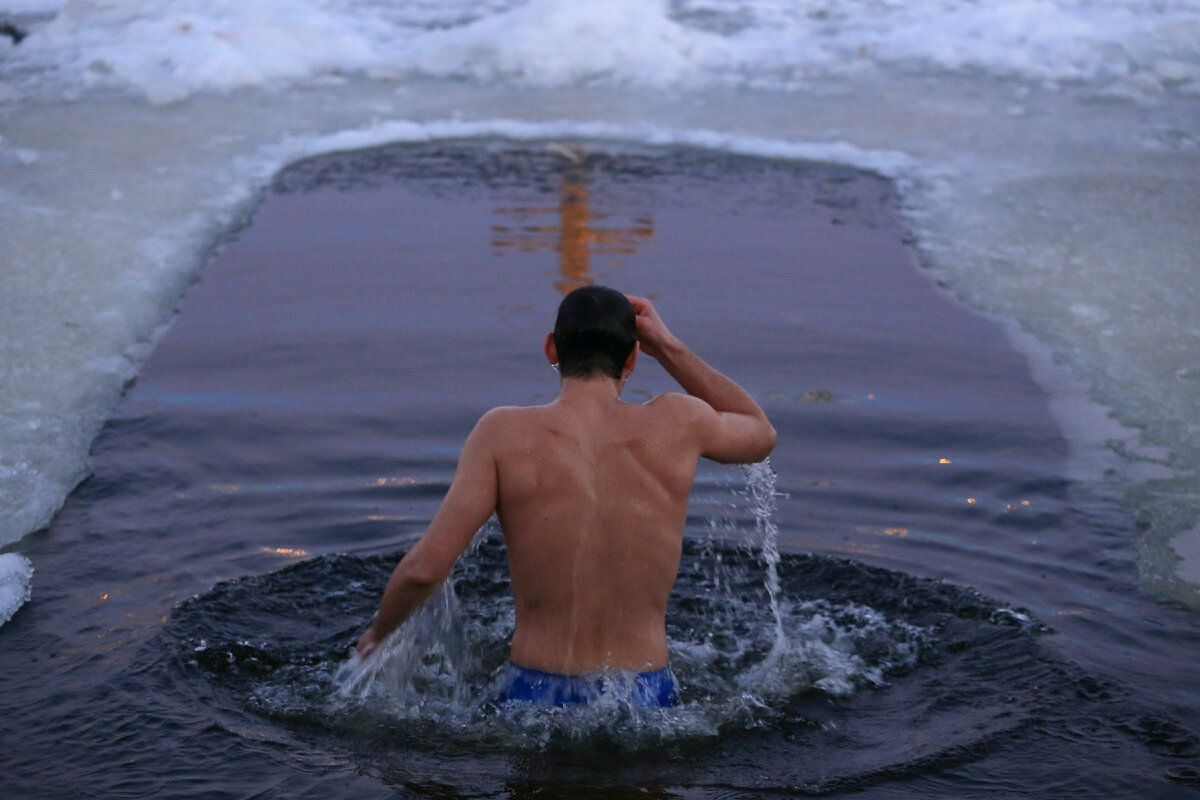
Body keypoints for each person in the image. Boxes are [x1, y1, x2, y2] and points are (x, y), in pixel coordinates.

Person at [356, 286, 775, 707]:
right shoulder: (680, 421)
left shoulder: (502, 433)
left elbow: (424, 571)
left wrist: (376, 639)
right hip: (646, 696)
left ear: (551, 348)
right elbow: (760, 432)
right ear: (632, 357)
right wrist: (668, 347)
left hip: (533, 696)